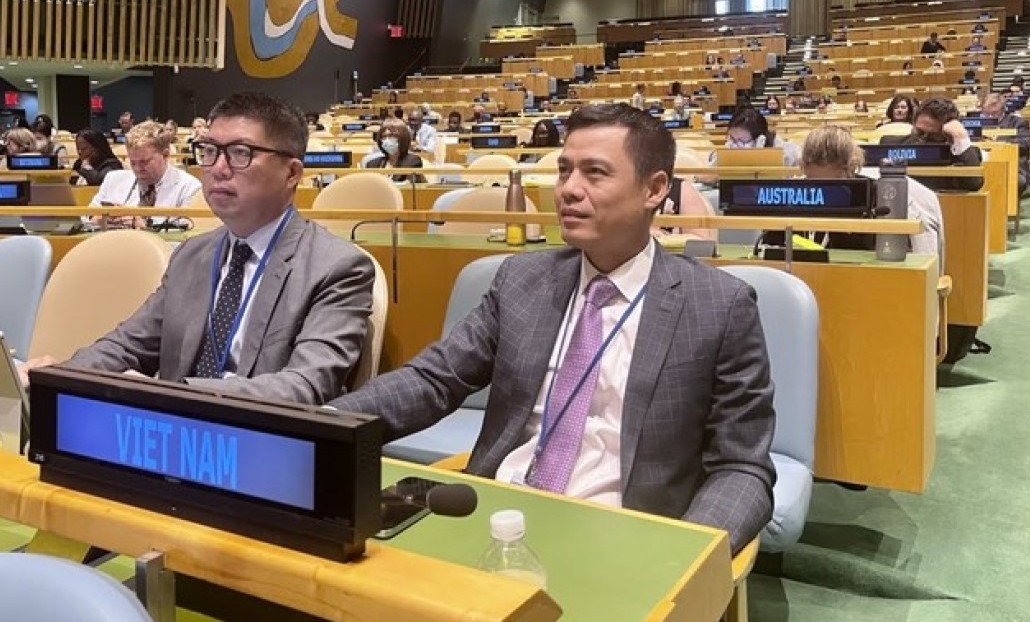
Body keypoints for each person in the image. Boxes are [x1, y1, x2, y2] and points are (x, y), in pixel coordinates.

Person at [332, 103, 775, 553]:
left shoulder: (718, 306)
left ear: (654, 189)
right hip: (499, 514)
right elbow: (434, 378)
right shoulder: (522, 280)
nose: (569, 190)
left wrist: (693, 556)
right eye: (564, 171)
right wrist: (328, 422)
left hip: (625, 536)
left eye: (595, 173)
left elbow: (742, 467)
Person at [26, 93, 374, 403]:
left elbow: (306, 386)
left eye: (240, 153)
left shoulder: (337, 268)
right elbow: (129, 344)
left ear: (292, 173)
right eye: (209, 151)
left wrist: (175, 394)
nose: (218, 169)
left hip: (260, 441)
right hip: (169, 432)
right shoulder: (191, 255)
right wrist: (59, 375)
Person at [791, 126, 943, 264]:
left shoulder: (886, 200)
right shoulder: (795, 194)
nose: (824, 193)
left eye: (834, 183)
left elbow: (912, 262)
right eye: (814, 183)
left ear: (851, 169)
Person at [88, 120, 202, 228]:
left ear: (165, 155)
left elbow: (187, 230)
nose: (137, 168)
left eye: (144, 162)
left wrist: (144, 225)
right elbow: (86, 216)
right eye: (133, 162)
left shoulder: (190, 187)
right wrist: (98, 219)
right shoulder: (113, 179)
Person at [879, 97, 982, 192]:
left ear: (947, 136)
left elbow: (973, 184)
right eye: (919, 132)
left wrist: (960, 136)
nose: (922, 139)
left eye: (932, 136)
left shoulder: (962, 156)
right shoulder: (890, 144)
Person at [980, 92, 1030, 193]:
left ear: (1002, 109)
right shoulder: (978, 124)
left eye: (994, 113)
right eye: (986, 113)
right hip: (984, 165)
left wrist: (997, 143)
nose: (990, 117)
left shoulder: (1017, 122)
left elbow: (1025, 144)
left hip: (1014, 167)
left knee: (1015, 182)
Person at [716, 107, 800, 166]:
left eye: (741, 140)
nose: (734, 146)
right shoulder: (730, 145)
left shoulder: (786, 154)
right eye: (732, 138)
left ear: (760, 140)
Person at [364, 118, 424, 183]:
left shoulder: (412, 162)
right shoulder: (372, 164)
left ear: (403, 138)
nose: (387, 140)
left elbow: (409, 186)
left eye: (391, 136)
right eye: (384, 136)